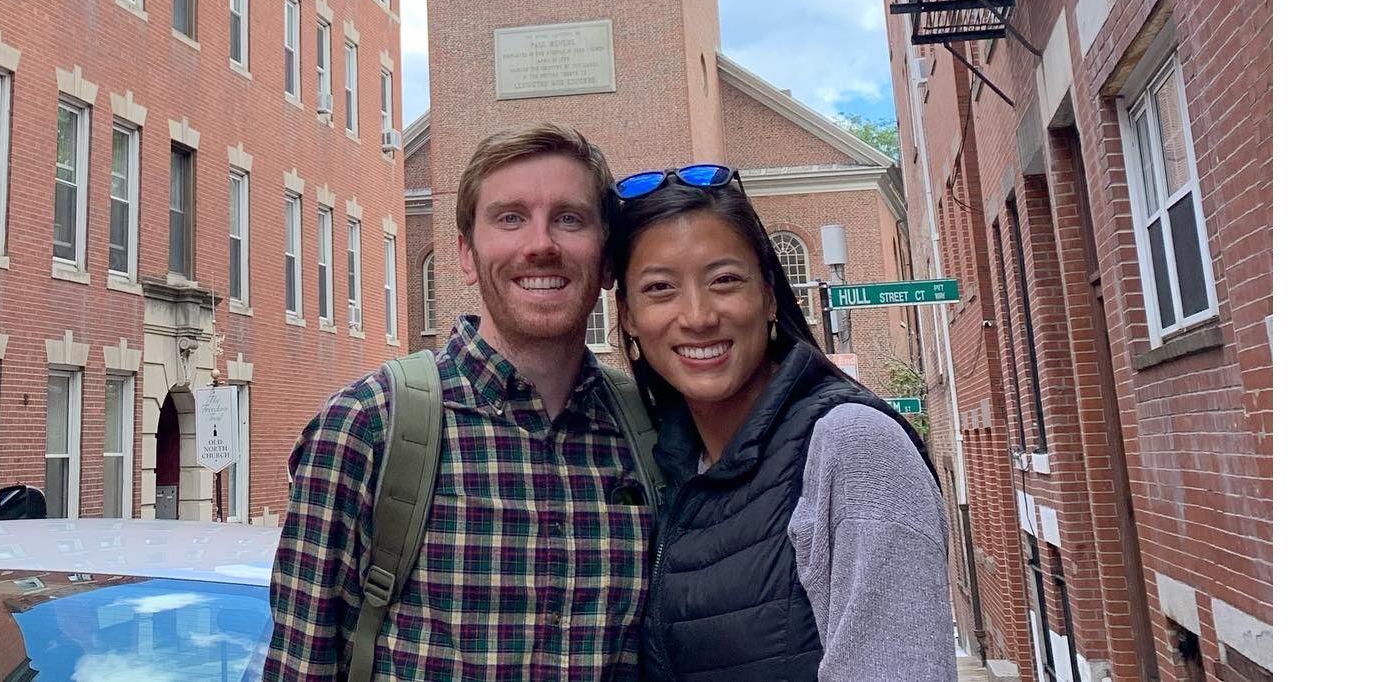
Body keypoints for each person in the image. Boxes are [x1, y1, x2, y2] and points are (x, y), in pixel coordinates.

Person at [261, 124, 655, 681]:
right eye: (510, 218)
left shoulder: (650, 433)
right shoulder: (367, 429)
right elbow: (300, 666)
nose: (540, 244)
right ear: (466, 256)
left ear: (608, 259)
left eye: (569, 218)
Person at [611, 164, 958, 682]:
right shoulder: (669, 467)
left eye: (724, 280)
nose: (698, 316)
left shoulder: (855, 447)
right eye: (660, 288)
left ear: (770, 295)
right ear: (629, 317)